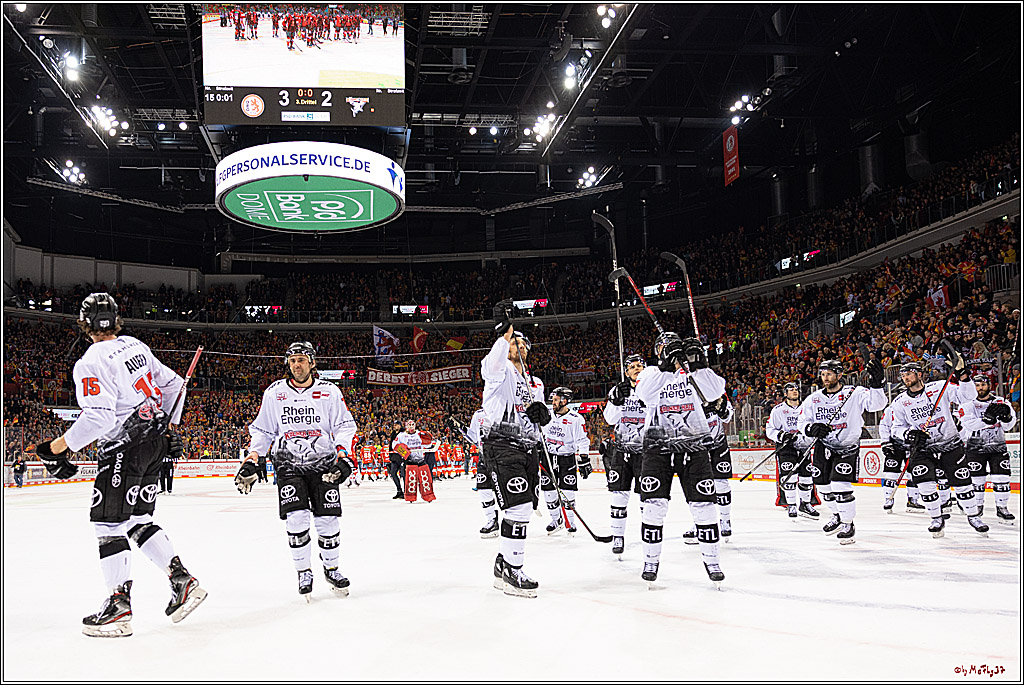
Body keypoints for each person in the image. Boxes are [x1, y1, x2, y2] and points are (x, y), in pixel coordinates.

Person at [31, 292, 206, 637]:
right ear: (117, 319)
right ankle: (182, 581)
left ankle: (118, 607)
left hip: (125, 447)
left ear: (83, 324)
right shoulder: (134, 345)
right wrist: (170, 426)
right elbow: (174, 386)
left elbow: (99, 417)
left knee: (108, 524)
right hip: (155, 442)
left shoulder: (91, 360)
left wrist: (58, 448)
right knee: (140, 520)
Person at [234, 341, 357, 600]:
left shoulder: (329, 391)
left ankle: (332, 568)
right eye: (292, 361)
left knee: (327, 520)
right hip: (288, 464)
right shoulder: (274, 392)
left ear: (312, 362)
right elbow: (263, 430)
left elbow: (344, 425)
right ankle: (304, 571)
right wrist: (253, 458)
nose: (296, 365)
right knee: (296, 518)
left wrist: (344, 455)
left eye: (301, 360)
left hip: (324, 464)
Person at [633, 333, 729, 587]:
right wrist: (665, 367)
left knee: (704, 505)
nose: (669, 351)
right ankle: (650, 561)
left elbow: (716, 391)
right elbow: (644, 395)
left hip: (694, 444)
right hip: (657, 447)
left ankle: (713, 561)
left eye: (673, 347)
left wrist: (699, 364)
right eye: (664, 348)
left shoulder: (692, 374)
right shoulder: (650, 373)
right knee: (654, 506)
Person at [480, 300, 546, 597]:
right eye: (514, 341)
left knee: (524, 509)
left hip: (527, 447)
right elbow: (490, 368)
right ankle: (513, 570)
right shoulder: (501, 368)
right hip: (502, 444)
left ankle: (502, 563)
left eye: (521, 342)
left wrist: (544, 415)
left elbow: (539, 414)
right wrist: (502, 336)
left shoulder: (533, 382)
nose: (517, 345)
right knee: (517, 507)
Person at [890, 357, 989, 538]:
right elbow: (896, 427)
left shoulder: (939, 387)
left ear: (919, 374)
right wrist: (908, 435)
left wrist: (964, 377)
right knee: (925, 485)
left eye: (909, 373)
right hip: (923, 448)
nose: (905, 378)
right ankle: (936, 518)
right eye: (903, 375)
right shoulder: (899, 401)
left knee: (962, 484)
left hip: (950, 444)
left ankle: (974, 516)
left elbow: (968, 396)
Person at [797, 357, 886, 545]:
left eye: (829, 373)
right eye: (822, 374)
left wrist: (878, 384)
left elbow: (876, 405)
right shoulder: (813, 399)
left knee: (840, 485)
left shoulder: (854, 392)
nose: (825, 377)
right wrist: (811, 429)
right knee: (822, 486)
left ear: (839, 374)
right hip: (823, 446)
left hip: (847, 446)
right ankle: (837, 515)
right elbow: (802, 421)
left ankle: (848, 523)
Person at [602, 353, 647, 557]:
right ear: (626, 371)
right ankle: (617, 536)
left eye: (640, 365)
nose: (637, 368)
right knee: (619, 495)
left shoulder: (652, 388)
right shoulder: (618, 389)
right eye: (632, 366)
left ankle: (649, 534)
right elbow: (610, 419)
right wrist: (616, 401)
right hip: (621, 450)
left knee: (647, 497)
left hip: (646, 451)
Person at [958, 372, 1016, 525]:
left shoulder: (1000, 401)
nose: (980, 388)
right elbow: (969, 424)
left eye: (983, 384)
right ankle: (978, 507)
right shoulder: (967, 404)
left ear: (989, 385)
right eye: (977, 385)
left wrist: (1007, 418)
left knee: (1002, 479)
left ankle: (1002, 507)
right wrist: (987, 420)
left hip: (998, 447)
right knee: (977, 481)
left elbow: (1009, 425)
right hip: (975, 448)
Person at [540, 387, 592, 536]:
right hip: (548, 456)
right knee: (548, 491)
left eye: (556, 399)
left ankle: (570, 522)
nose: (553, 402)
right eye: (553, 400)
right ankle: (556, 520)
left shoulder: (575, 419)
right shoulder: (547, 415)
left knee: (568, 492)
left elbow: (582, 440)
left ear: (565, 400)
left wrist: (584, 459)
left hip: (566, 458)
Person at [765, 382, 819, 519]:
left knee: (807, 477)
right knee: (790, 476)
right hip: (786, 446)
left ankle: (805, 504)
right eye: (791, 390)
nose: (794, 391)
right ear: (785, 393)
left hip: (803, 445)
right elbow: (770, 430)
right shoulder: (778, 410)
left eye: (796, 389)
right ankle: (791, 505)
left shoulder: (806, 408)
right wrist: (782, 436)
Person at [878, 401, 923, 513]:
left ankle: (913, 500)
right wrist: (885, 442)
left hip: (912, 445)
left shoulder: (917, 408)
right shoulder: (891, 409)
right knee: (891, 473)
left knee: (914, 473)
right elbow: (884, 426)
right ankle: (888, 499)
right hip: (895, 445)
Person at [395, 419, 435, 503]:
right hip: (410, 461)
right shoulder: (401, 435)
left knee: (425, 479)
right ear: (406, 426)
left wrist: (429, 440)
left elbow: (428, 445)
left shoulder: (420, 434)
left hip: (421, 460)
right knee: (411, 480)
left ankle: (428, 496)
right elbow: (394, 445)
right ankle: (410, 497)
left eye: (412, 425)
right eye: (409, 425)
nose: (411, 427)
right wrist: (404, 452)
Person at [387, 420, 405, 499]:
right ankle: (399, 491)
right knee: (393, 473)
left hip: (401, 457)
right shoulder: (393, 433)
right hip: (394, 457)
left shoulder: (403, 434)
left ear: (400, 425)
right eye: (394, 425)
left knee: (404, 475)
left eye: (397, 424)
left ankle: (406, 492)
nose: (395, 426)